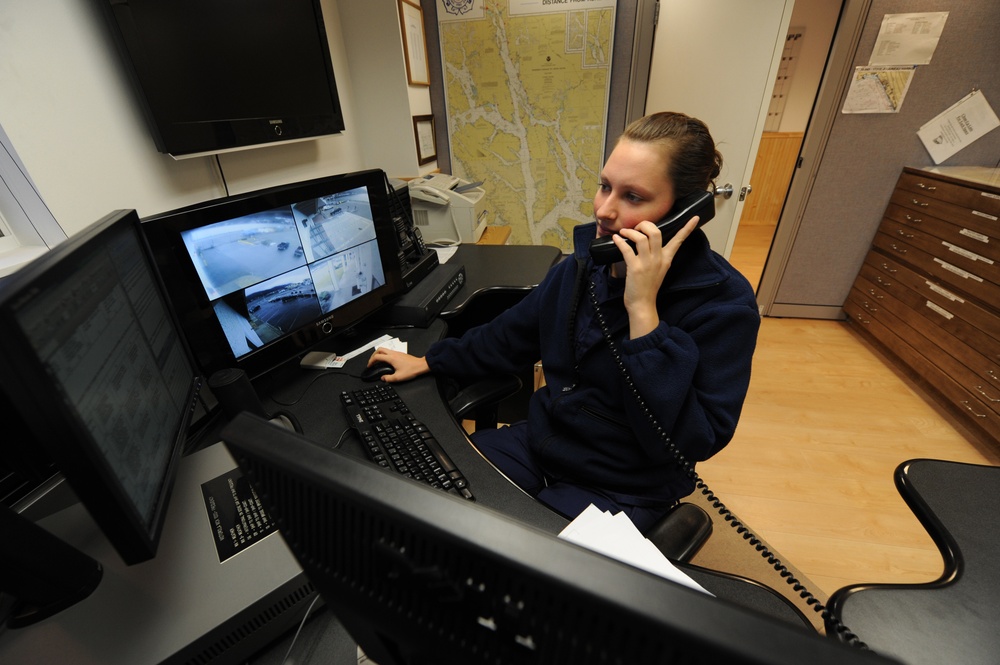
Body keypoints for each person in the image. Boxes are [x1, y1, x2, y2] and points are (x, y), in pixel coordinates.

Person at [368, 112, 760, 533]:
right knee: (427, 498)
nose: (604, 211)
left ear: (683, 212)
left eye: (632, 196)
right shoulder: (581, 268)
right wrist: (431, 360)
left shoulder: (723, 305)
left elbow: (694, 439)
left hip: (626, 484)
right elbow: (509, 336)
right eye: (605, 186)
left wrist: (643, 312)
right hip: (542, 443)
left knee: (519, 559)